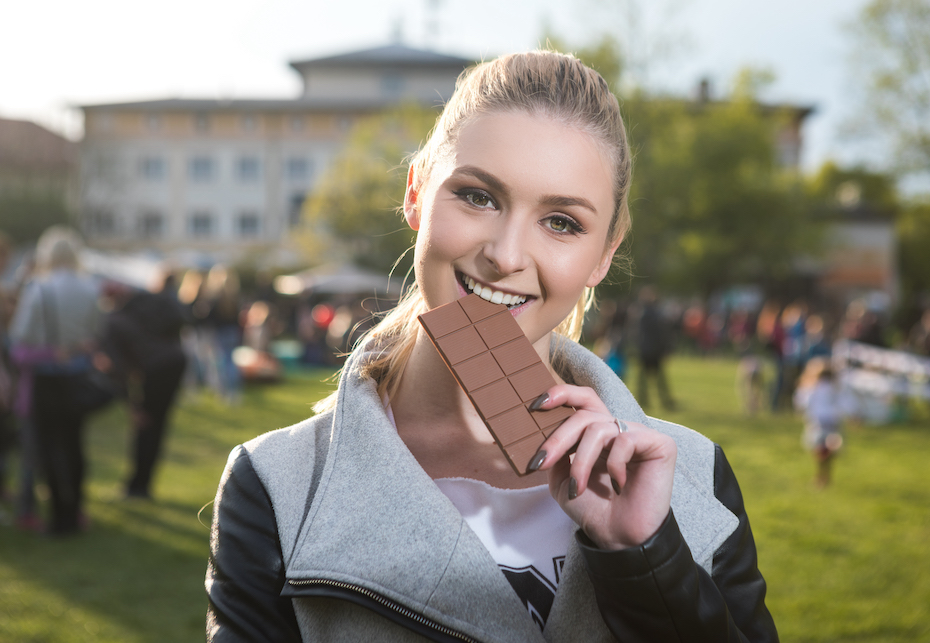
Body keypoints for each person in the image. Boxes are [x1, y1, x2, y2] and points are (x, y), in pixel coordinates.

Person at [206, 51, 778, 642]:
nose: (506, 256)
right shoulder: (277, 484)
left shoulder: (694, 474)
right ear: (416, 193)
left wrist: (646, 558)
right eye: (479, 196)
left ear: (605, 253)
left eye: (562, 222)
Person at [8, 227, 103, 535]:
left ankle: (60, 518)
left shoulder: (39, 289)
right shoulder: (90, 289)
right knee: (75, 446)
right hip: (77, 377)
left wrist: (50, 351)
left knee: (49, 449)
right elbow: (95, 335)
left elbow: (19, 340)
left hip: (46, 380)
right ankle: (75, 511)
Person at [103, 279, 187, 499]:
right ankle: (142, 484)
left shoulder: (113, 322)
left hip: (156, 369)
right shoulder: (149, 301)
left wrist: (132, 405)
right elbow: (179, 319)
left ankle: (138, 486)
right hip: (176, 361)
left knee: (146, 426)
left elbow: (117, 370)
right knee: (157, 425)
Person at [794, 359, 854, 488]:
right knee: (826, 452)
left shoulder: (811, 388)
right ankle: (825, 472)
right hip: (832, 423)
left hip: (817, 423)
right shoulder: (836, 388)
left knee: (818, 451)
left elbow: (802, 402)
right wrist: (853, 415)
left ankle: (821, 475)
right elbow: (846, 403)